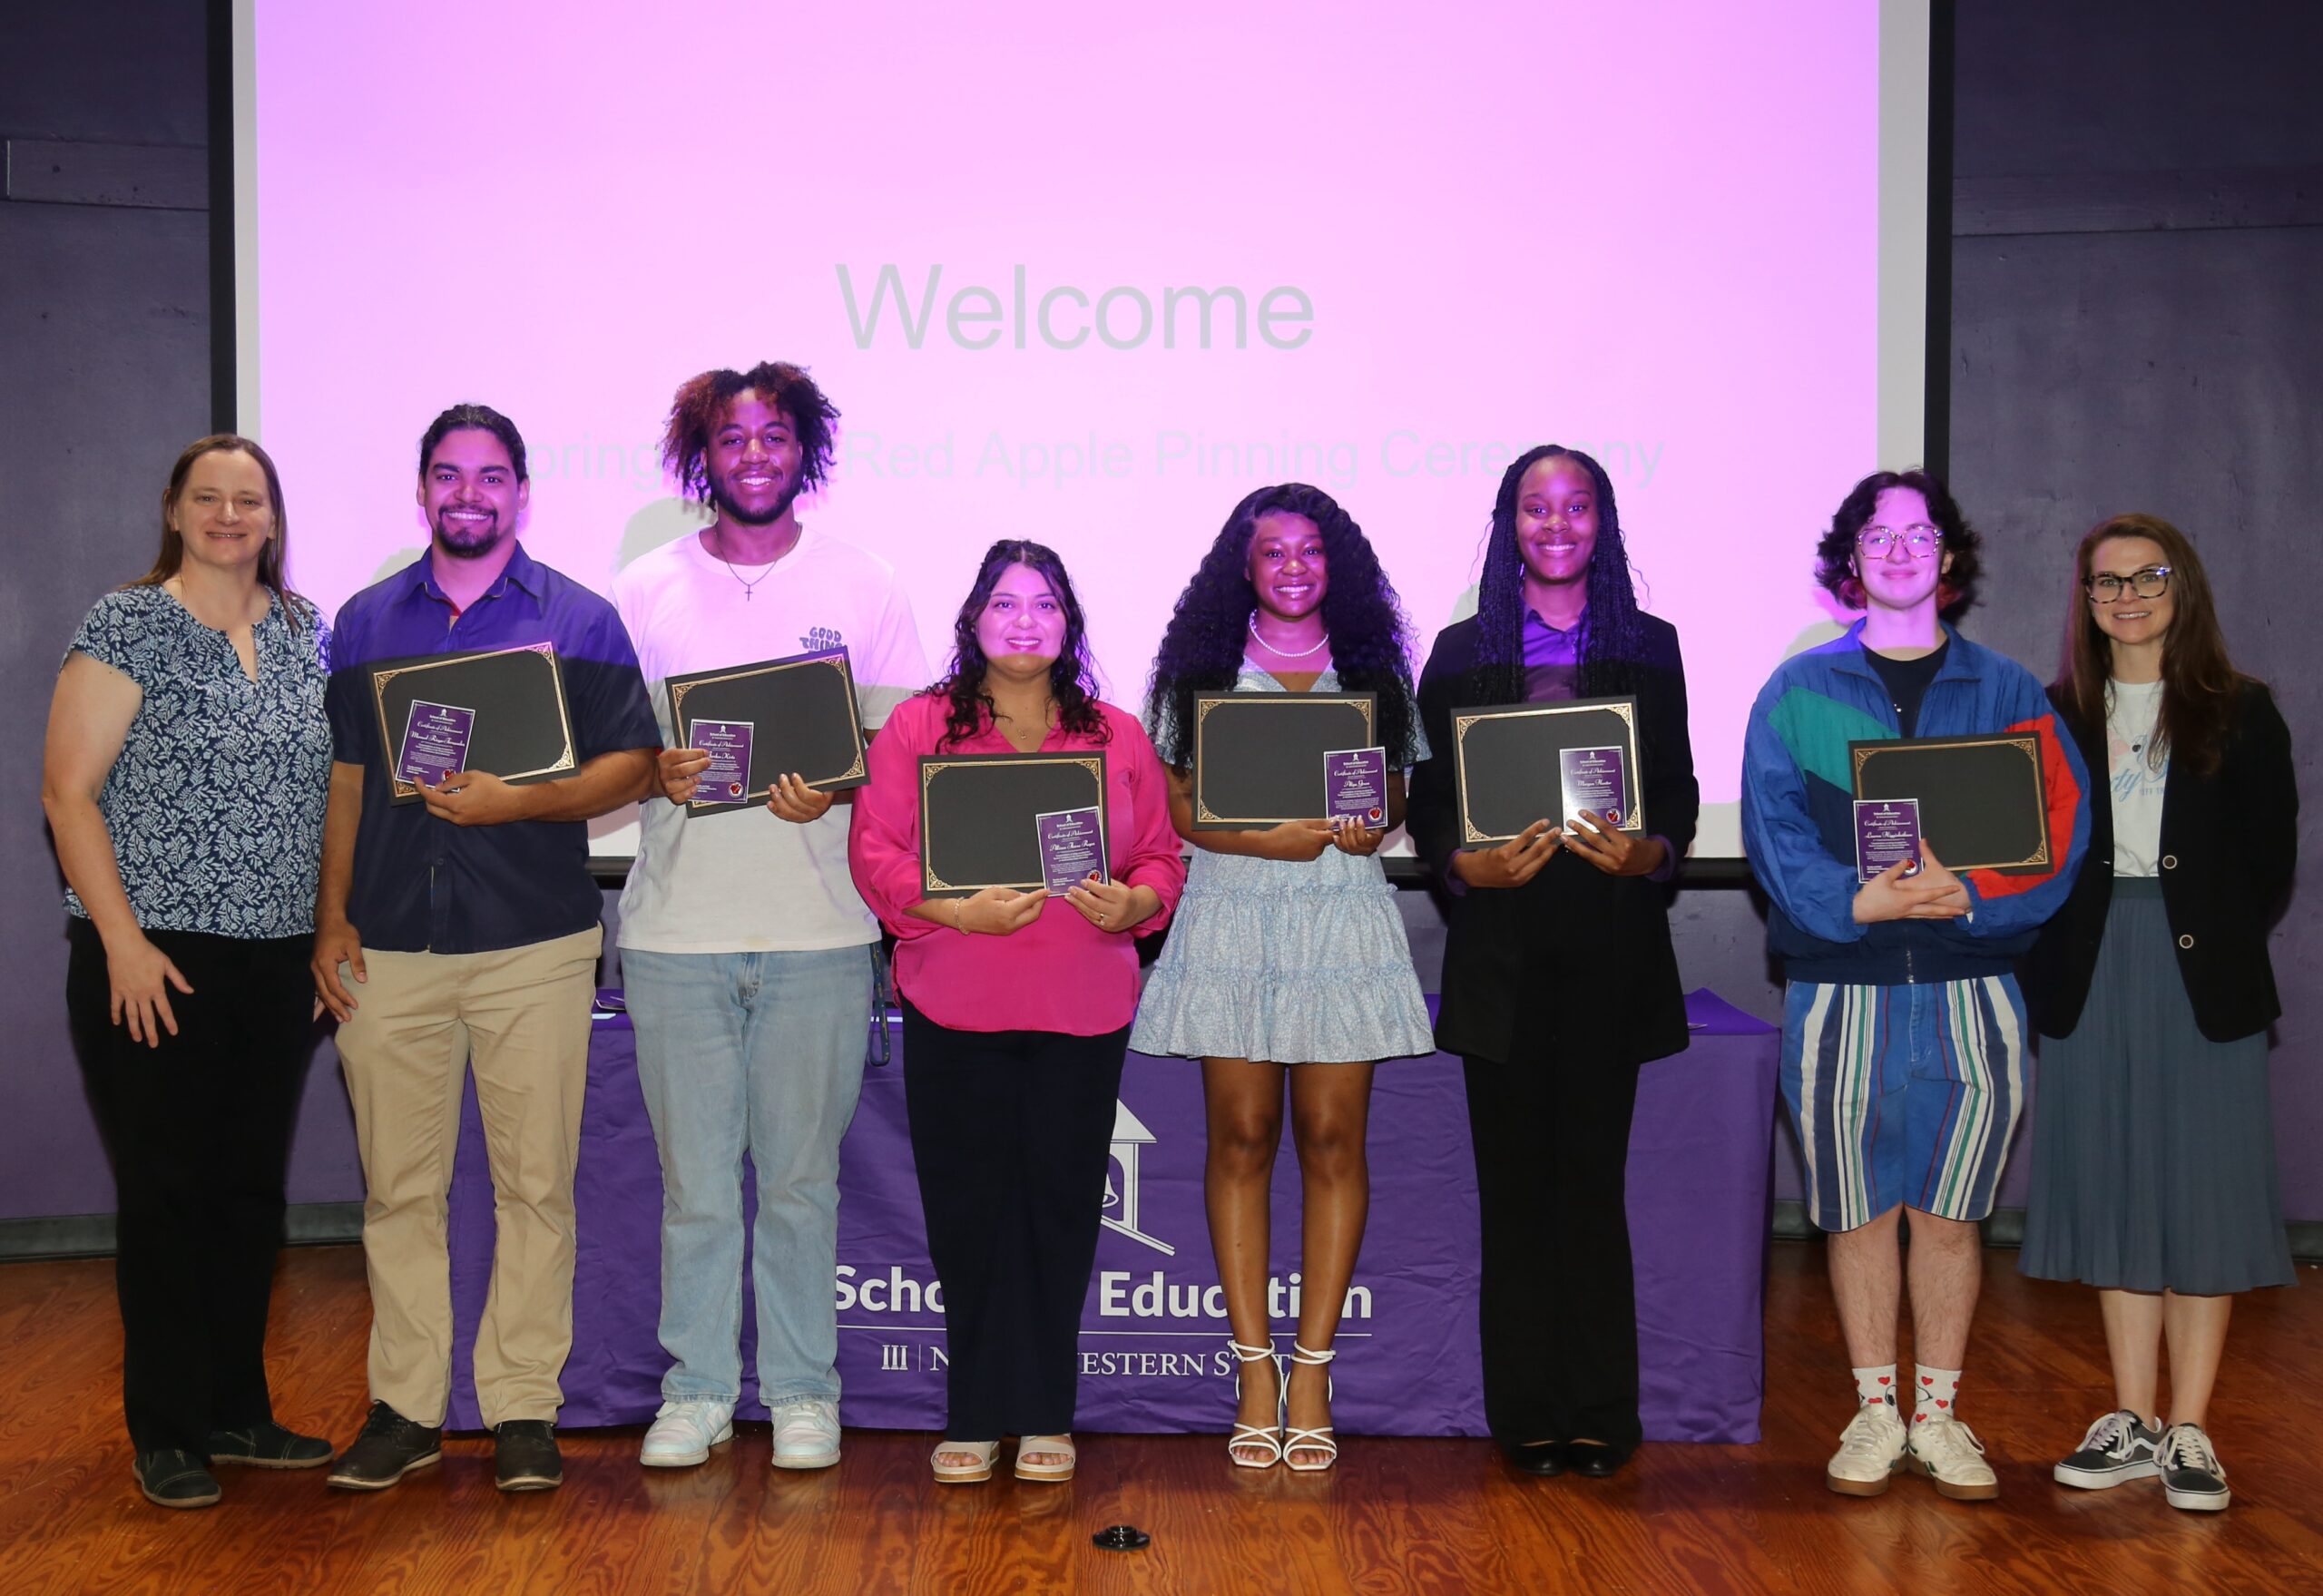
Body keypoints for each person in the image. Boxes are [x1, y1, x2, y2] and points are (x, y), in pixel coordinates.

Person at [313, 404, 659, 1493]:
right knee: (399, 1191)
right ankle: (407, 1408)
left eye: (492, 476)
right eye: (450, 475)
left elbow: (632, 767)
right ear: (422, 490)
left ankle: (521, 1408)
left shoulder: (582, 617)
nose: (470, 493)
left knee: (533, 1186)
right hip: (389, 945)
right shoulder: (365, 620)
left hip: (533, 941)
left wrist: (520, 802)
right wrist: (330, 922)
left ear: (520, 492)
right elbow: (348, 782)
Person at [1741, 468, 2089, 1503]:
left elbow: (2058, 833)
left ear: (1947, 557)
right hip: (1839, 984)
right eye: (1878, 535)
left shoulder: (2011, 691)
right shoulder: (1796, 692)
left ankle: (1937, 1418)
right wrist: (1854, 906)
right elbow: (1772, 832)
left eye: (1918, 533)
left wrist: (1969, 895)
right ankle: (1872, 1411)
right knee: (1851, 1209)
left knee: (1947, 1214)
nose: (1898, 549)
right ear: (1851, 562)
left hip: (1970, 988)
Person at [613, 361, 928, 1471]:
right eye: (733, 438)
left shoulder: (863, 583)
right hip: (671, 934)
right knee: (696, 1191)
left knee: (800, 1185)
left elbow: (906, 762)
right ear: (703, 454)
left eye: (775, 437)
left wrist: (837, 788)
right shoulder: (643, 588)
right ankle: (694, 1390)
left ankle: (802, 1391)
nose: (754, 456)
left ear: (807, 451)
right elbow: (607, 772)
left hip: (822, 930)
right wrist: (658, 769)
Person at [848, 540, 1185, 1484]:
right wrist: (951, 908)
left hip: (1082, 1006)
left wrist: (1138, 903)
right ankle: (974, 1411)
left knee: (1060, 1211)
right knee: (968, 1213)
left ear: (1069, 623)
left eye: (1044, 604)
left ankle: (1044, 1412)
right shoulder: (918, 729)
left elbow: (1160, 856)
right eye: (1005, 603)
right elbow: (874, 850)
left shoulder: (1116, 736)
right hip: (956, 1001)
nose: (1025, 620)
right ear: (973, 621)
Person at [40, 436, 334, 1510]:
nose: (226, 514)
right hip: (152, 957)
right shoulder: (127, 624)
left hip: (273, 961)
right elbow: (68, 793)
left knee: (249, 1194)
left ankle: (236, 1409)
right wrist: (121, 940)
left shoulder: (307, 631)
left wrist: (319, 937)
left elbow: (327, 794)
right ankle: (166, 1430)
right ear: (173, 509)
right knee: (167, 1194)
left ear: (271, 516)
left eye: (246, 498)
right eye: (206, 497)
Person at [1407, 446, 1697, 1482]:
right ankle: (1526, 1411)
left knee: (1590, 1191)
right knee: (1513, 1196)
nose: (1557, 523)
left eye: (1577, 506)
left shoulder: (1650, 647)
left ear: (1602, 523)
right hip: (1502, 962)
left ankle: (1600, 1413)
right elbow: (1429, 800)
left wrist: (1650, 852)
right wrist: (1457, 863)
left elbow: (1678, 794)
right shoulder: (1456, 653)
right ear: (1508, 524)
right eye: (1537, 507)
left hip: (1609, 956)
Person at [1131, 484, 1434, 1472]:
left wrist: (1366, 824)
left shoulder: (1377, 673)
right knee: (1244, 1137)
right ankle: (1252, 1367)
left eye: (1311, 550)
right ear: (1243, 566)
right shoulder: (1199, 672)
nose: (1294, 566)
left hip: (1340, 917)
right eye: (1273, 551)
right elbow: (1178, 808)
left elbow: (1390, 799)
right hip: (1232, 913)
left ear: (1333, 565)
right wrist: (1270, 836)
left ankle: (1313, 1368)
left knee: (1333, 1136)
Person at [2019, 514, 2297, 1513]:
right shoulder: (2052, 712)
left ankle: (2190, 1429)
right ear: (2084, 600)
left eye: (2146, 576)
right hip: (2092, 969)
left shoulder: (2241, 710)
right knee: (2119, 1192)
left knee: (2202, 1196)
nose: (2125, 595)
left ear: (2183, 587)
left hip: (2199, 974)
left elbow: (2269, 866)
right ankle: (2130, 1422)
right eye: (2104, 582)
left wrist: (2200, 927)